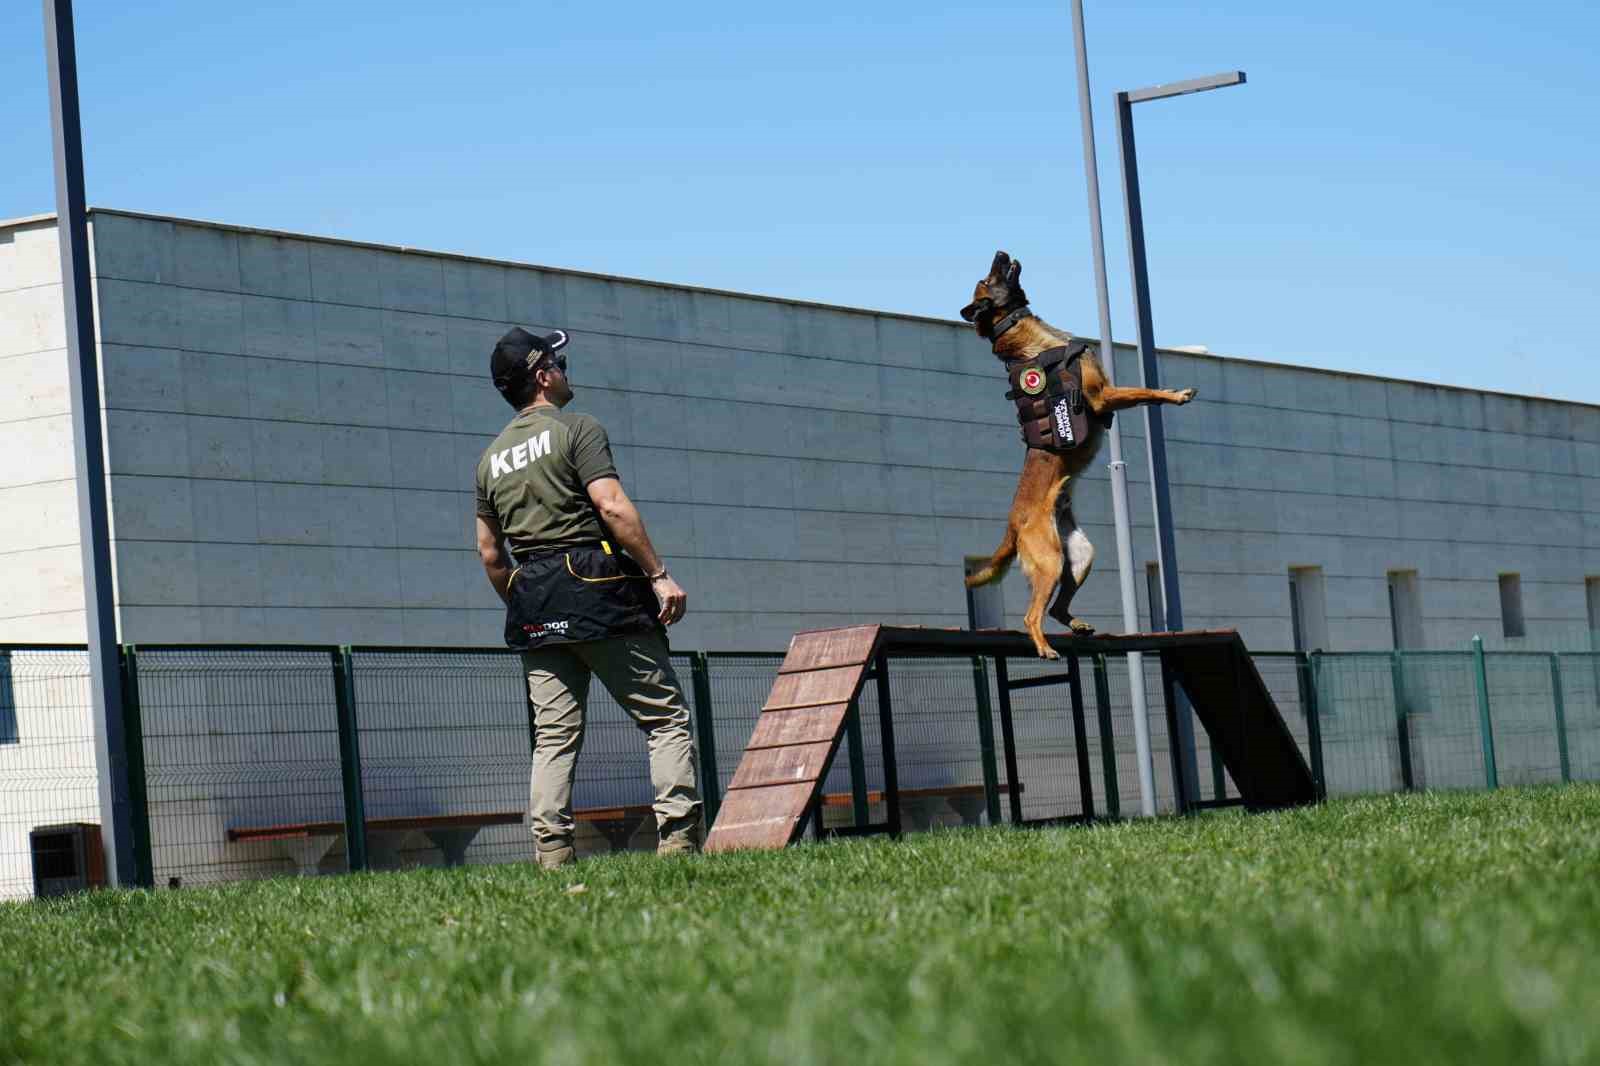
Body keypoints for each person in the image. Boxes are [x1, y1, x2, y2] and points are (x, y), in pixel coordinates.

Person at [474, 326, 702, 869]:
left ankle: (552, 854)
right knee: (664, 718)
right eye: (559, 362)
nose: (565, 370)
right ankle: (678, 842)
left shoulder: (489, 460)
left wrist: (527, 602)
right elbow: (613, 507)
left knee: (553, 735)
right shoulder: (578, 428)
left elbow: (489, 553)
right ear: (542, 375)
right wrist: (659, 574)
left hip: (531, 593)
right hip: (595, 581)